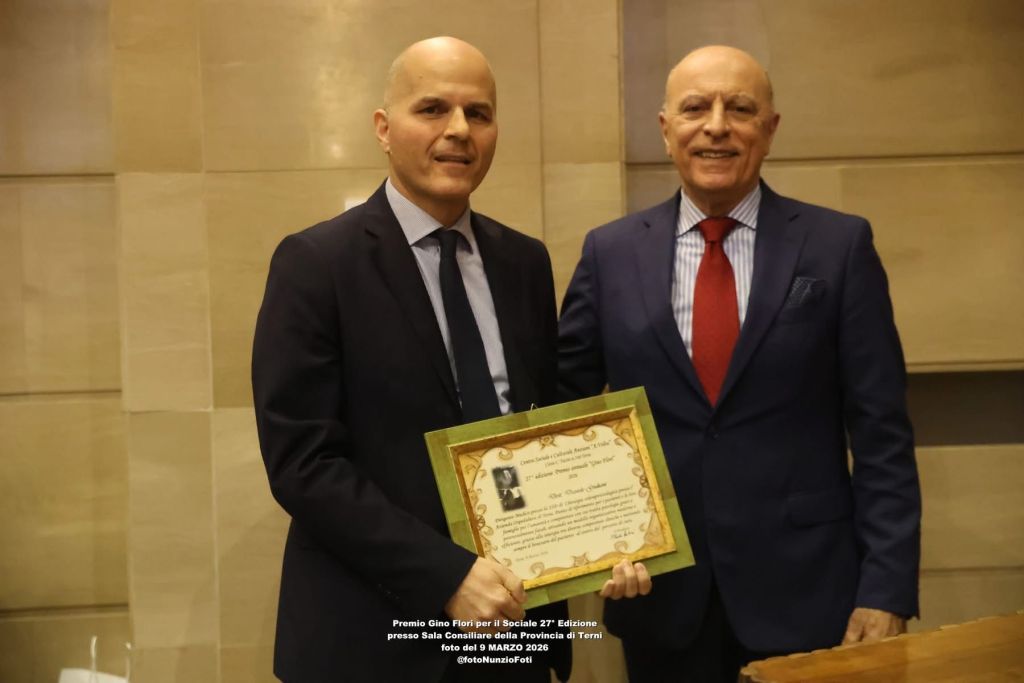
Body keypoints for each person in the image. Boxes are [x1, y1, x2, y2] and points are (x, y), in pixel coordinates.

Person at [252, 36, 642, 683]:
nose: (458, 130)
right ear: (383, 128)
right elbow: (302, 462)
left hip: (511, 639)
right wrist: (447, 576)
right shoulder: (317, 265)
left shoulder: (524, 263)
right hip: (372, 643)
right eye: (432, 109)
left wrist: (607, 539)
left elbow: (541, 438)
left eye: (478, 113)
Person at [557, 45, 921, 681]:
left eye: (740, 109)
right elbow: (568, 418)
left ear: (770, 129)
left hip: (812, 599)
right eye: (696, 108)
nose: (717, 126)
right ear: (667, 128)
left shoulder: (839, 247)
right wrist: (596, 544)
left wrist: (885, 589)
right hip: (660, 599)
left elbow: (882, 435)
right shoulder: (609, 253)